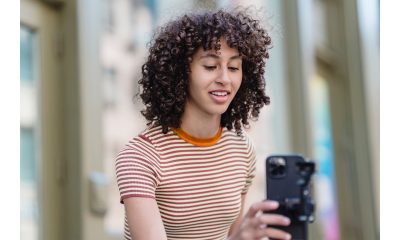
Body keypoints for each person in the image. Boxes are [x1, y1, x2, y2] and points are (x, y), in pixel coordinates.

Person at [115, 9, 292, 240]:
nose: (225, 79)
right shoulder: (140, 157)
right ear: (180, 72)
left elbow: (234, 235)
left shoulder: (242, 149)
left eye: (234, 67)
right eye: (210, 66)